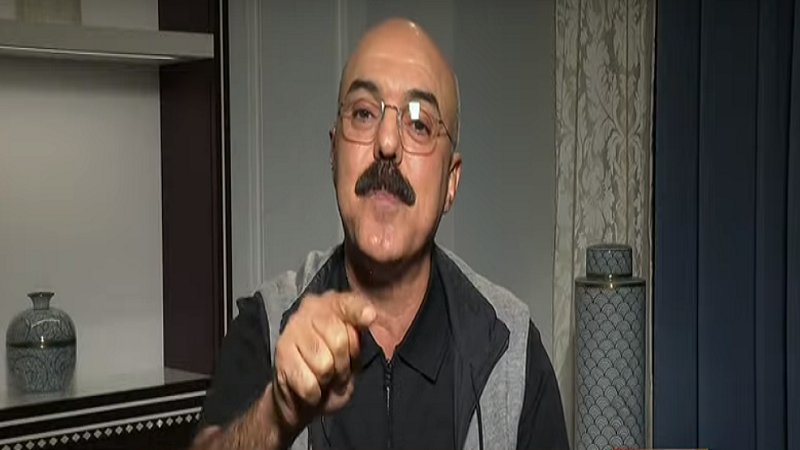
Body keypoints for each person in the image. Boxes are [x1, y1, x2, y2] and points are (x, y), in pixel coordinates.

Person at [192, 17, 569, 450]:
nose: (387, 142)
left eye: (419, 123)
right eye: (364, 113)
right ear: (334, 153)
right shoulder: (266, 326)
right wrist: (277, 413)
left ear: (450, 182)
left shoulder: (511, 349)